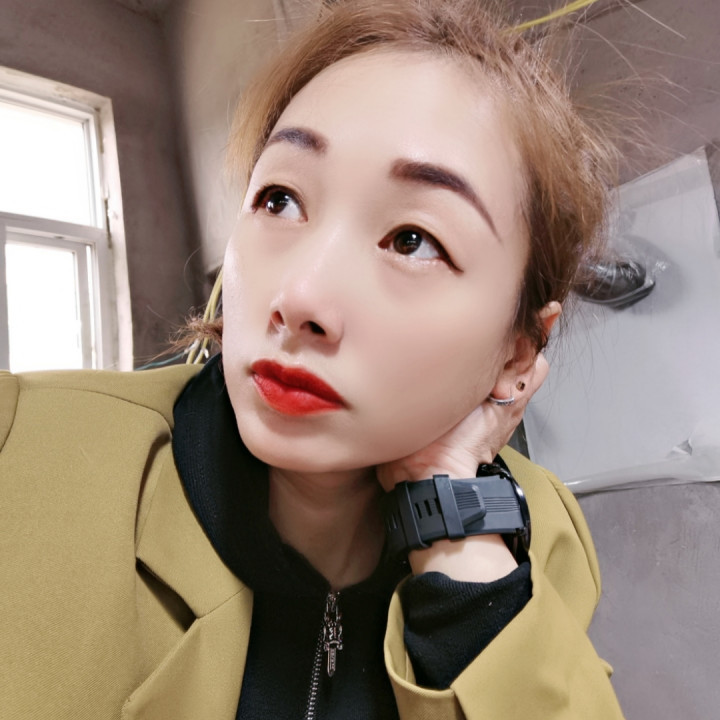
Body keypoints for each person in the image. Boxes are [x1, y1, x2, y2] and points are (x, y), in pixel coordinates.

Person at [0, 0, 625, 718]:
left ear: (518, 354)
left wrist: (456, 537)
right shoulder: (21, 450)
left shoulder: (544, 540)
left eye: (413, 240)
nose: (300, 297)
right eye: (280, 199)